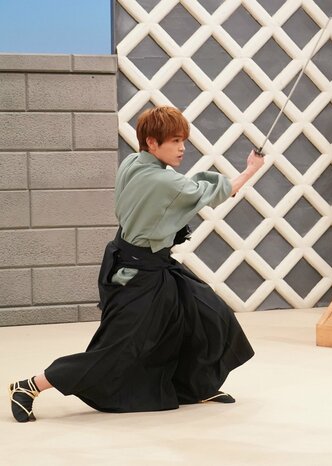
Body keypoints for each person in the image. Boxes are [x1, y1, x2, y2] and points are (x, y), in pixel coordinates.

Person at [10, 106, 265, 422]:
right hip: (139, 273)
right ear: (152, 142)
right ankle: (29, 386)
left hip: (135, 262)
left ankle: (194, 386)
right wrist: (251, 169)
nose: (182, 148)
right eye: (174, 141)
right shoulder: (165, 182)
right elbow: (215, 192)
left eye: (183, 140)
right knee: (118, 350)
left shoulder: (132, 162)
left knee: (206, 313)